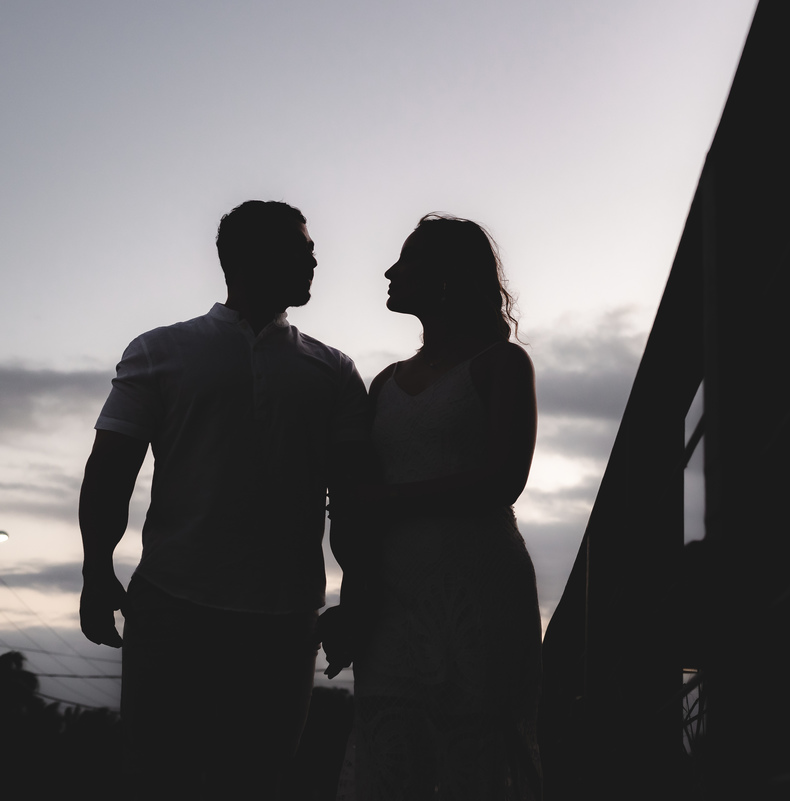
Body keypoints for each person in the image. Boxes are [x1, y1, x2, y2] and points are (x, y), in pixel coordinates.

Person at [78, 200, 370, 800]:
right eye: (301, 248)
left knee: (256, 780)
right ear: (245, 258)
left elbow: (352, 496)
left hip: (284, 620)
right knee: (160, 778)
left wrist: (354, 598)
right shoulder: (160, 350)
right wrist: (95, 570)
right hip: (174, 608)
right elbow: (110, 470)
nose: (315, 259)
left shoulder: (333, 371)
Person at [327, 213, 542, 800]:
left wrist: (383, 500)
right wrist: (352, 602)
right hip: (393, 594)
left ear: (447, 278)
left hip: (477, 586)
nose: (392, 272)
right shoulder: (384, 383)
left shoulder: (501, 364)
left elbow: (504, 480)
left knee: (474, 763)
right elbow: (357, 509)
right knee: (391, 759)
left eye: (408, 261)